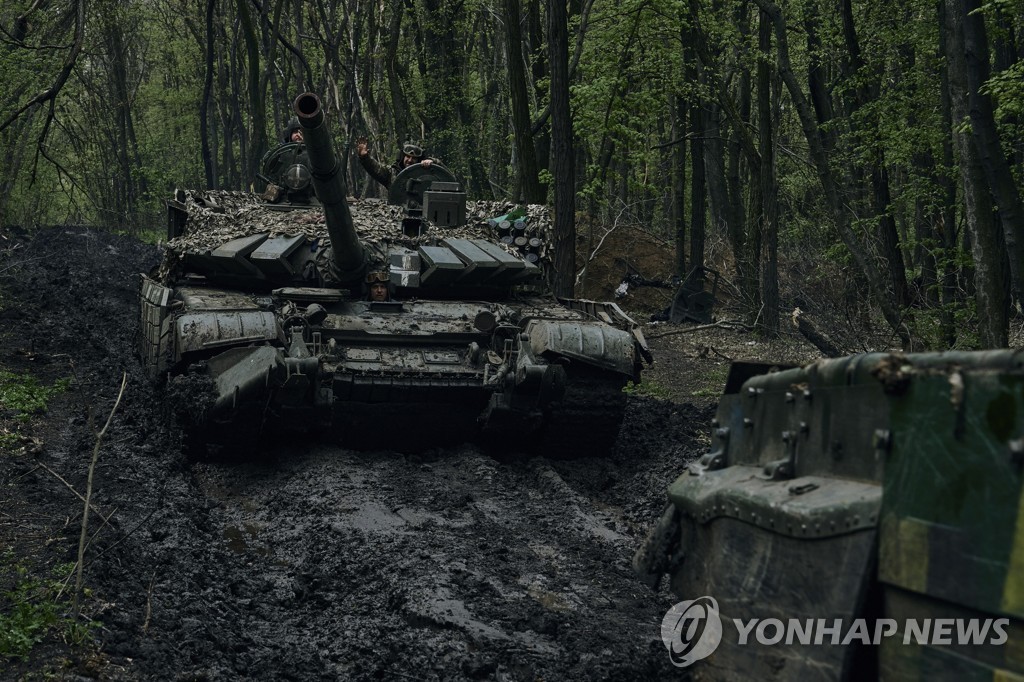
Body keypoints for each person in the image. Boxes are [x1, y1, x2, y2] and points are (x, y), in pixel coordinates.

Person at [355, 137, 433, 189]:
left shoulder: (426, 174)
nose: (410, 160)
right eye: (408, 157)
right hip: (396, 211)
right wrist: (365, 157)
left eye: (414, 158)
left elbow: (443, 177)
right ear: (402, 157)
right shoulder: (392, 173)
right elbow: (376, 169)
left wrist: (433, 162)